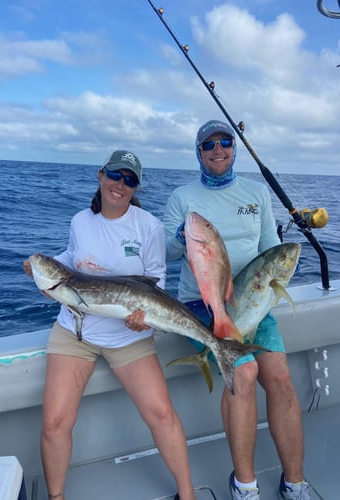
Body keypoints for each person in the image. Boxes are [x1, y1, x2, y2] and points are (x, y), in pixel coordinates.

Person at [23, 150, 196, 500]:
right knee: (55, 424)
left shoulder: (149, 227)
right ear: (100, 175)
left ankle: (188, 494)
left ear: (136, 187)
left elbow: (155, 284)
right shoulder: (79, 221)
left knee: (162, 414)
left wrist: (142, 317)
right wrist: (42, 274)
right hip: (76, 331)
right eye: (116, 175)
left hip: (128, 334)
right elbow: (71, 262)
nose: (121, 184)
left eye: (130, 180)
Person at [164, 120, 311, 500]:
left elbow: (270, 248)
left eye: (224, 142)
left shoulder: (257, 193)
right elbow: (164, 250)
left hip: (251, 297)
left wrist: (268, 290)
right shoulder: (182, 197)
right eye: (208, 144)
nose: (217, 149)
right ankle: (245, 485)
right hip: (202, 305)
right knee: (243, 377)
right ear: (199, 152)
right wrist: (182, 236)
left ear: (234, 148)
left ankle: (295, 483)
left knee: (279, 378)